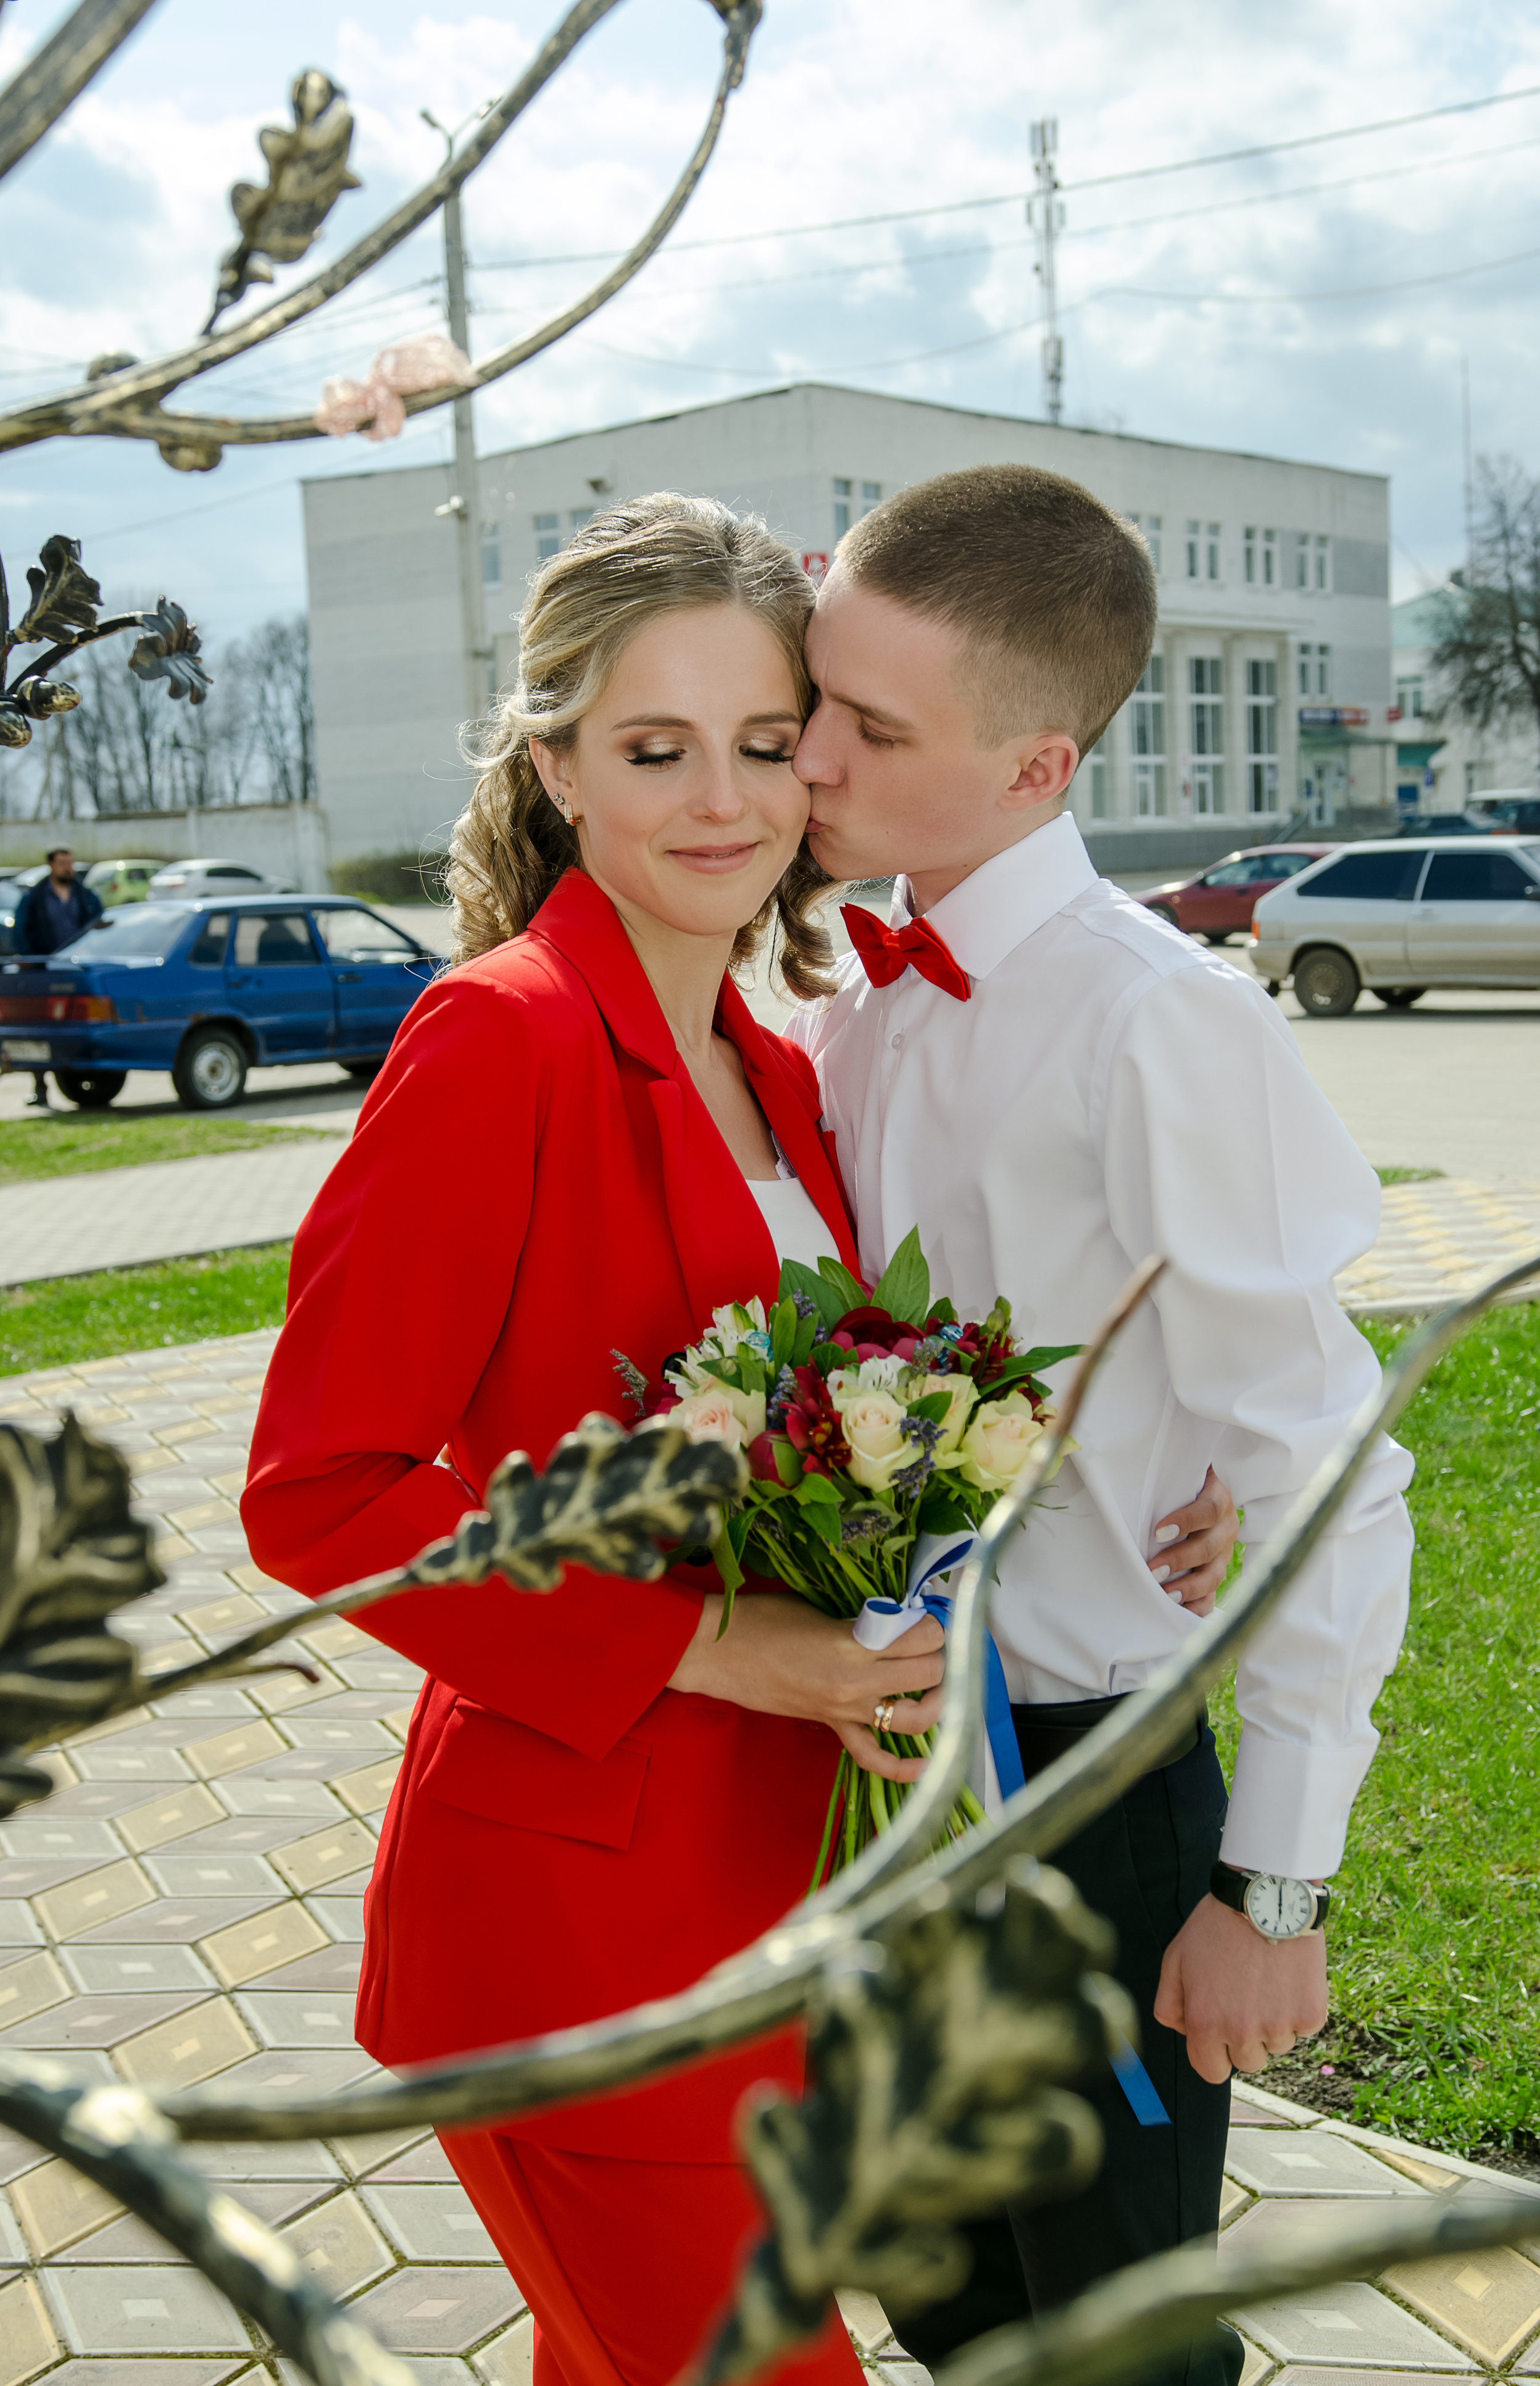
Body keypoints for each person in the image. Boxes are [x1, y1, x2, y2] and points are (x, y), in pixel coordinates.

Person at [241, 493, 1234, 2386]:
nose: (722, 800)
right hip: (584, 1943)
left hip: (790, 1914)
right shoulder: (500, 1040)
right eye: (654, 748)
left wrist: (1159, 1491)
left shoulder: (782, 1066)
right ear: (557, 766)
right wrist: (718, 1644)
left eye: (765, 742)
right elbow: (321, 1498)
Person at [785, 464, 1415, 2381]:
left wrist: (1271, 1889)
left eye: (871, 726)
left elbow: (1322, 1457)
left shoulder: (1159, 1018)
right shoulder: (858, 994)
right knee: (951, 2301)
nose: (810, 755)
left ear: (1036, 766)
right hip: (882, 1778)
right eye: (814, 695)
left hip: (1090, 1788)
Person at [14, 847, 102, 1109]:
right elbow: (20, 931)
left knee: (78, 1026)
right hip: (45, 970)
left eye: (70, 862)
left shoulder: (85, 895)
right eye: (63, 863)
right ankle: (40, 1087)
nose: (68, 868)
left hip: (78, 970)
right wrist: (30, 960)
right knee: (40, 1027)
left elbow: (100, 923)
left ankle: (87, 1083)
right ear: (51, 865)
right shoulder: (35, 897)